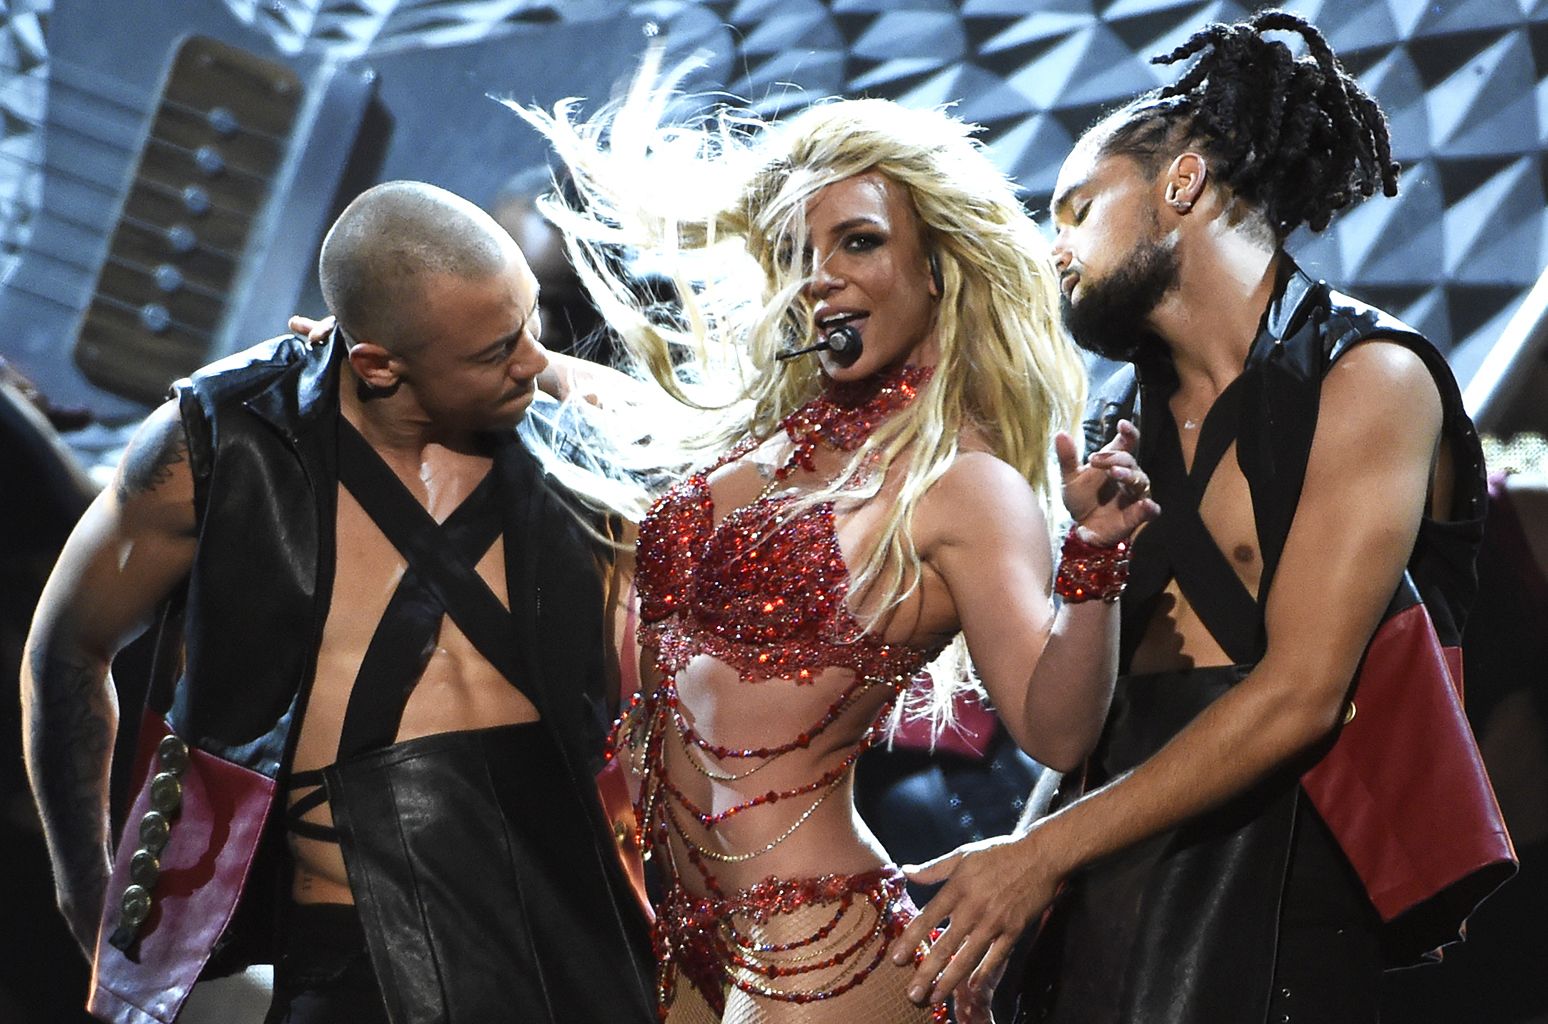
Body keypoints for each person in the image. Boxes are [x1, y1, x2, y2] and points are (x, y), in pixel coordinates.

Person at [890, 12, 1516, 1023]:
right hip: (1113, 903)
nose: (1054, 249)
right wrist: (1086, 564)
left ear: (1180, 184)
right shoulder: (1114, 439)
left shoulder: (1371, 376)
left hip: (1298, 917)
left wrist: (1034, 856)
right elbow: (1074, 732)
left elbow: (1301, 696)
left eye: (1075, 208)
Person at [512, 60, 1159, 1023]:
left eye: (859, 242)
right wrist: (515, 364)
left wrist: (1096, 558)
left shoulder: (965, 486)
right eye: (803, 249)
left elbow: (1056, 731)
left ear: (939, 266)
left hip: (826, 960)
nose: (822, 277)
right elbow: (641, 414)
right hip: (679, 944)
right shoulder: (769, 439)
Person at [21, 180, 657, 1023]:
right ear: (379, 364)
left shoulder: (579, 433)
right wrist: (84, 886)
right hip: (359, 954)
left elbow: (710, 442)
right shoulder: (222, 442)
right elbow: (65, 650)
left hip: (578, 923)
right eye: (495, 349)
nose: (536, 361)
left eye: (529, 324)